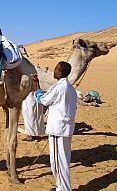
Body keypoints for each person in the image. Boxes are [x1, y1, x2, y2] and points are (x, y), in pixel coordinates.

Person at [35, 61, 77, 191]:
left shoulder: (59, 87)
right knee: (64, 159)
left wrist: (37, 86)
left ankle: (63, 189)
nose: (53, 71)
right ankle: (61, 187)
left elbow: (43, 100)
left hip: (58, 130)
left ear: (59, 72)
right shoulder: (71, 89)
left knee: (57, 162)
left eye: (56, 69)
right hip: (66, 128)